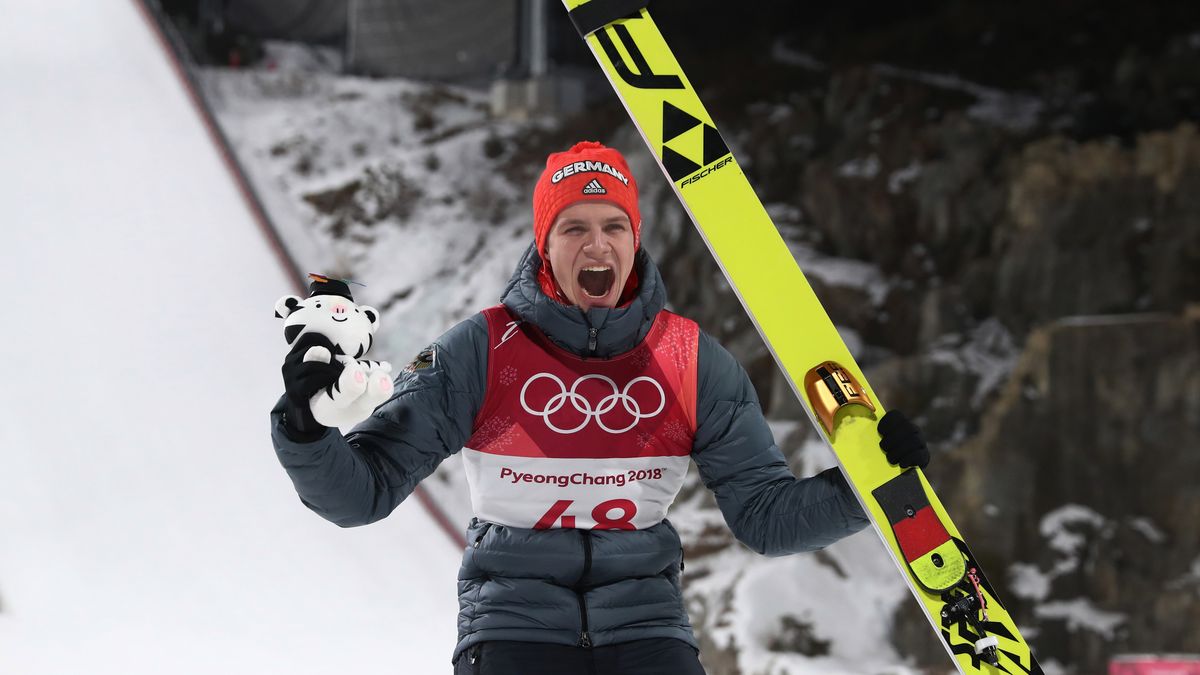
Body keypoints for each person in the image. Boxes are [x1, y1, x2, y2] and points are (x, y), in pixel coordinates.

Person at [271, 141, 931, 674]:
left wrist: (866, 485)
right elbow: (363, 492)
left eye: (614, 225)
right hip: (512, 628)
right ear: (545, 244)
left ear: (635, 240)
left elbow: (766, 518)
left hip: (647, 628)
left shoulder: (690, 360)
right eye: (574, 227)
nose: (597, 245)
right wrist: (306, 428)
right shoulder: (484, 349)